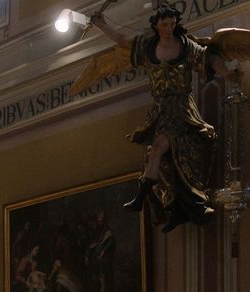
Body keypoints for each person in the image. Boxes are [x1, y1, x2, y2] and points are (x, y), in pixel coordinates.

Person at [89, 6, 227, 233]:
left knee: (159, 149)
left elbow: (208, 59)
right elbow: (124, 42)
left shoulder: (185, 45)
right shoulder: (147, 46)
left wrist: (227, 73)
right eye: (165, 24)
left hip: (181, 109)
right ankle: (171, 206)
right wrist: (103, 25)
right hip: (160, 109)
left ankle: (141, 197)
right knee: (159, 159)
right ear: (156, 25)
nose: (169, 28)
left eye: (172, 23)